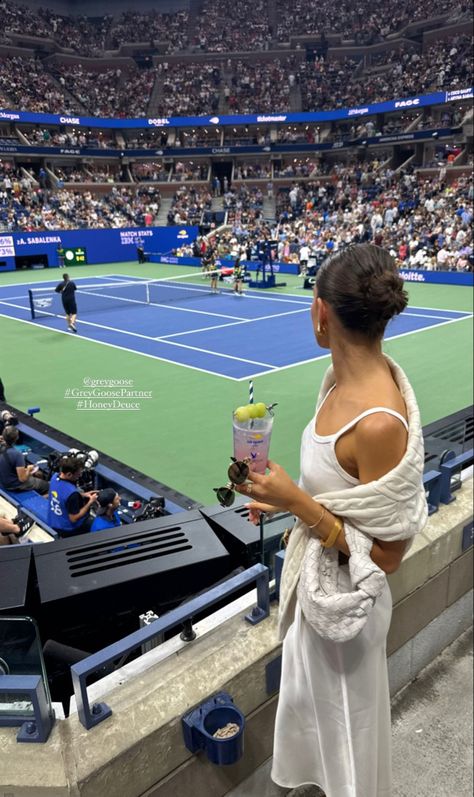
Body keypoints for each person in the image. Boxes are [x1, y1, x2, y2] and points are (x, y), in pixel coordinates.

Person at [235, 244, 427, 797]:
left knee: (349, 747)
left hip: (347, 620)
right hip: (313, 610)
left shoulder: (378, 424)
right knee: (313, 735)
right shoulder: (337, 383)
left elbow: (387, 556)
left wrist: (298, 504)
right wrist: (280, 499)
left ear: (321, 312)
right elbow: (341, 498)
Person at [47, 456, 98, 537]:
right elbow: (73, 518)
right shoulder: (72, 494)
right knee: (98, 524)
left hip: (53, 521)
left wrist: (83, 495)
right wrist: (90, 502)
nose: (80, 475)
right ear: (69, 474)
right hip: (67, 529)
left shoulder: (55, 477)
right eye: (78, 474)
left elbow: (62, 494)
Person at [0, 427, 49, 494]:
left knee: (38, 474)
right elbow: (22, 479)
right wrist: (29, 469)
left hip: (4, 479)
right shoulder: (17, 455)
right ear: (17, 438)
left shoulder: (2, 447)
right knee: (47, 486)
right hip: (13, 485)